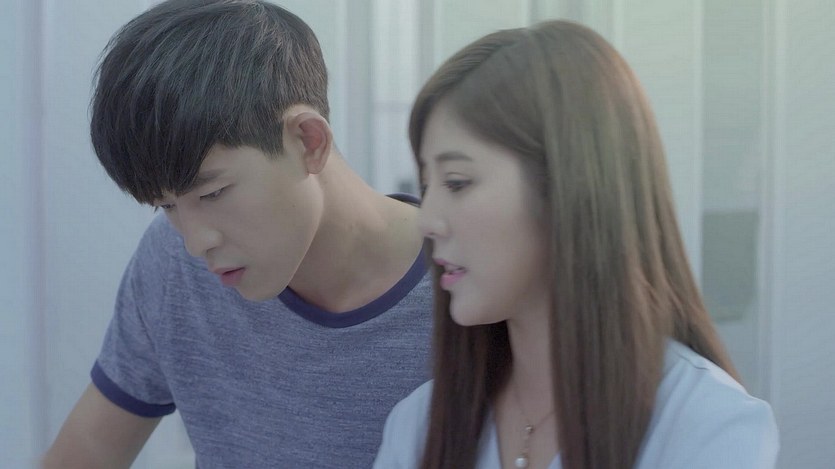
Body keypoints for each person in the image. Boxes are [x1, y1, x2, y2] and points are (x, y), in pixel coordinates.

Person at [42, 1, 432, 467]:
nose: (195, 242)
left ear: (309, 141)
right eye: (167, 206)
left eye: (213, 193)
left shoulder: (467, 286)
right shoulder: (174, 263)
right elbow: (86, 451)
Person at [374, 20, 779, 469]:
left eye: (457, 182)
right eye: (425, 185)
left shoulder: (707, 426)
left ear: (568, 187)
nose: (427, 220)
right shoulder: (419, 426)